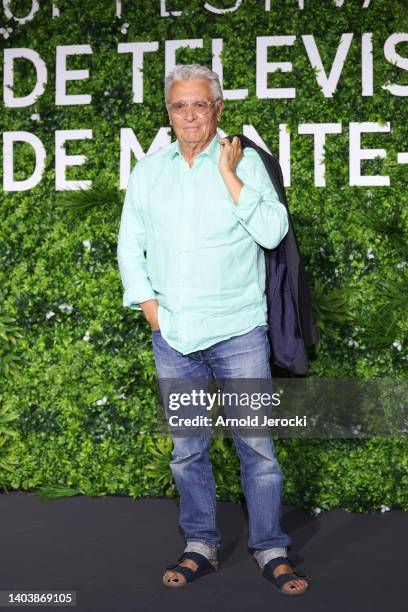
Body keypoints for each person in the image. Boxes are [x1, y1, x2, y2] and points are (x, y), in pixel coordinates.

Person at [117, 64, 309, 596]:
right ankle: (200, 543)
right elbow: (130, 244)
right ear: (169, 112)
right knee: (187, 451)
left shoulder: (246, 162)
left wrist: (231, 175)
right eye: (180, 105)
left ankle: (271, 549)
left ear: (218, 109)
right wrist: (151, 308)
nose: (190, 115)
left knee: (258, 449)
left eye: (201, 104)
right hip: (174, 337)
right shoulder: (149, 172)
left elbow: (272, 231)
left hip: (239, 332)